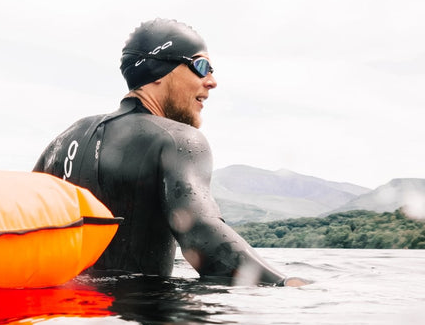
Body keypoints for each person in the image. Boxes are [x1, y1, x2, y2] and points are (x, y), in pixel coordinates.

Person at [33, 18, 305, 286]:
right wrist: (286, 285)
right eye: (201, 66)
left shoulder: (63, 141)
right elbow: (202, 234)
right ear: (159, 71)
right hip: (140, 321)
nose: (211, 81)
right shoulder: (178, 139)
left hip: (65, 320)